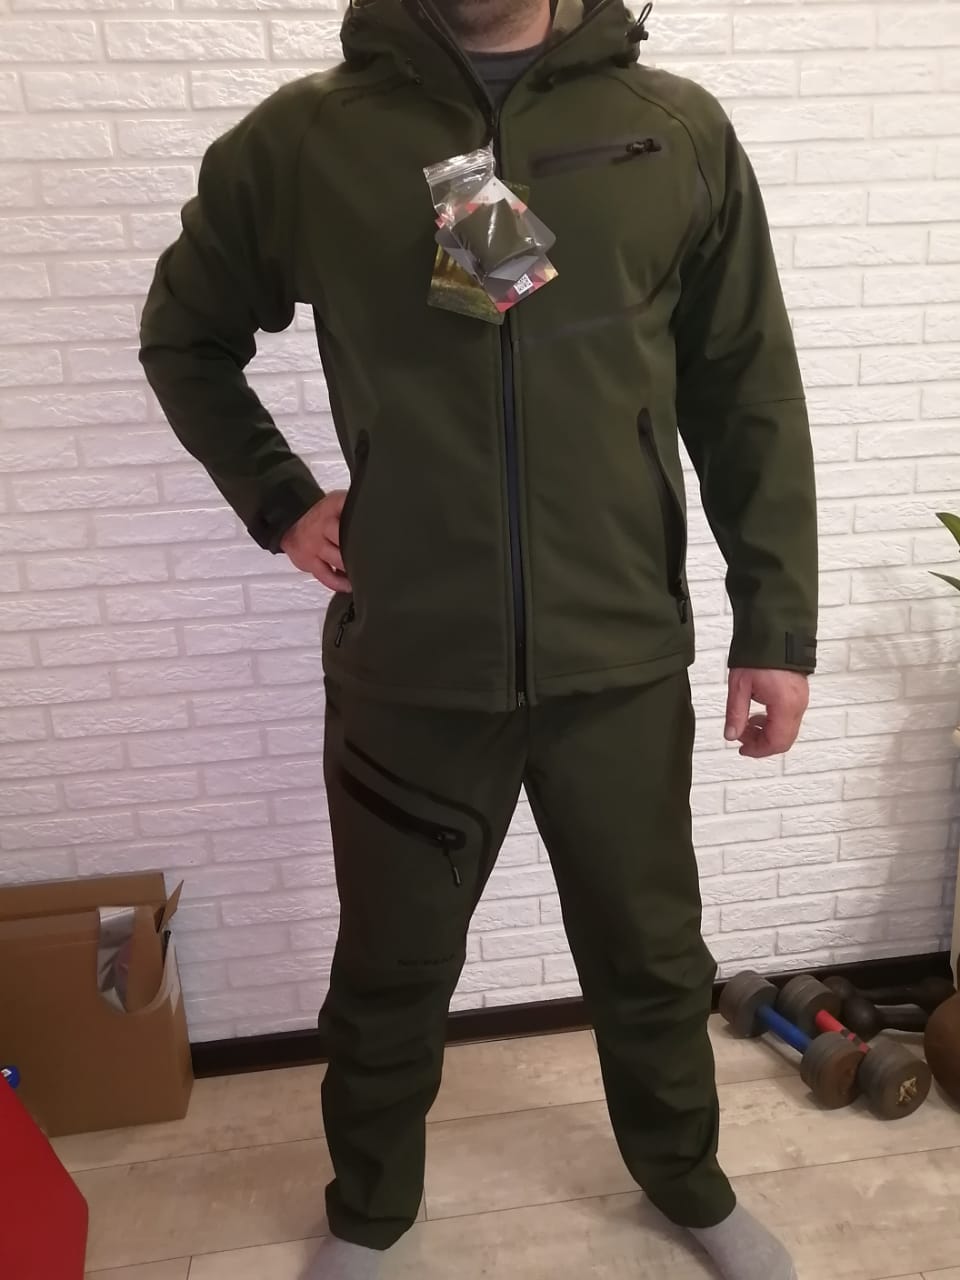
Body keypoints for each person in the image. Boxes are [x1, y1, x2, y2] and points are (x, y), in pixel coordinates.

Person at [140, 0, 818, 1276]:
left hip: (618, 653)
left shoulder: (671, 130)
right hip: (412, 659)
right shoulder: (309, 141)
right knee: (390, 968)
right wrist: (281, 498)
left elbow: (747, 386)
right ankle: (369, 1208)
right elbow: (184, 333)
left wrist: (774, 622)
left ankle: (685, 1176)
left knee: (652, 955)